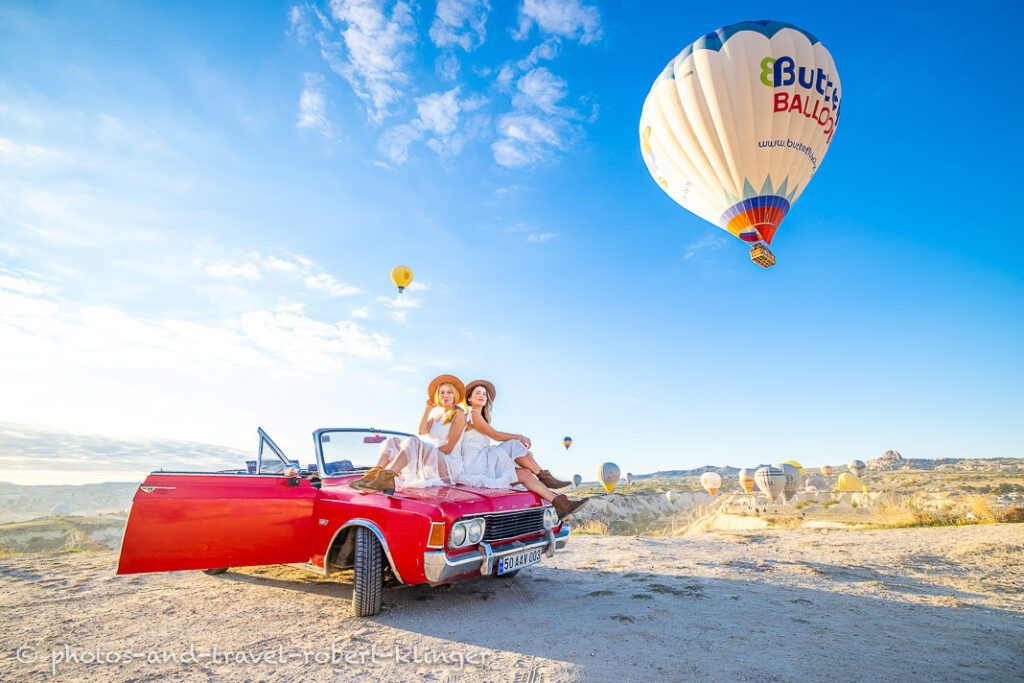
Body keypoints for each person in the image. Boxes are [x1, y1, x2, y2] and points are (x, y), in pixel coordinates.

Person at [461, 379, 586, 519]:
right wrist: (519, 437)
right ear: (469, 398)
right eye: (478, 393)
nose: (482, 395)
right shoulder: (472, 414)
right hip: (475, 463)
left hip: (482, 461)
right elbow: (494, 434)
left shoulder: (480, 417)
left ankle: (561, 505)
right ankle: (544, 476)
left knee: (525, 474)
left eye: (484, 393)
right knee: (513, 444)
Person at [349, 375, 467, 494]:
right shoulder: (437, 416)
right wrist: (428, 409)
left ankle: (386, 478)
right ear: (438, 396)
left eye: (449, 392)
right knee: (392, 441)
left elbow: (448, 447)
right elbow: (421, 431)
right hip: (434, 460)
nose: (445, 395)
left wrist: (421, 454)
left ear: (455, 395)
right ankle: (374, 475)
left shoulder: (459, 414)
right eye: (442, 392)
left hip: (449, 464)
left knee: (412, 442)